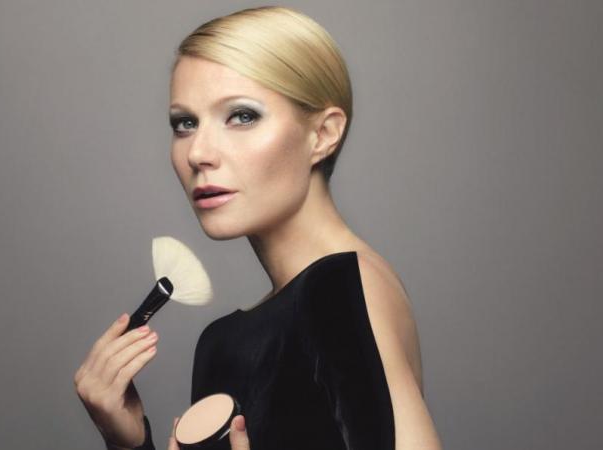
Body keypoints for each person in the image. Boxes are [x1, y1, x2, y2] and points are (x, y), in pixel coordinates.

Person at [74, 6, 443, 450]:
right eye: (185, 123)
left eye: (242, 116)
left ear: (323, 134)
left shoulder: (338, 287)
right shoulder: (220, 345)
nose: (198, 153)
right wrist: (128, 441)